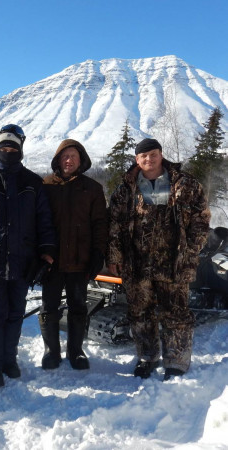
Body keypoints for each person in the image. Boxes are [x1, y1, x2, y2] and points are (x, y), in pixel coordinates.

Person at [106, 138, 210, 381]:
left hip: (173, 263)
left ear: (161, 155)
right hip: (137, 263)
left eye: (153, 154)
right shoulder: (125, 189)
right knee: (141, 312)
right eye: (143, 156)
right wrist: (114, 257)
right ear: (136, 159)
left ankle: (176, 361)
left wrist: (191, 249)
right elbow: (113, 225)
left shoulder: (186, 184)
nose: (148, 160)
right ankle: (147, 357)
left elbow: (201, 219)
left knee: (176, 312)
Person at [0, 124, 56, 388]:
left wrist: (47, 253)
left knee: (15, 314)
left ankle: (9, 360)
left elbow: (44, 221)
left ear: (20, 149)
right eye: (4, 147)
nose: (8, 151)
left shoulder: (32, 181)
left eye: (13, 147)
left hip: (22, 262)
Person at [39, 139, 108, 370]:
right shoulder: (45, 185)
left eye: (74, 157)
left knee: (78, 306)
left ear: (81, 160)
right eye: (65, 156)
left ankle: (76, 351)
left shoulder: (93, 188)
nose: (69, 160)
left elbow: (100, 224)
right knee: (49, 307)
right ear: (58, 159)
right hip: (52, 261)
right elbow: (36, 221)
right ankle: (51, 350)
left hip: (80, 260)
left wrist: (99, 252)